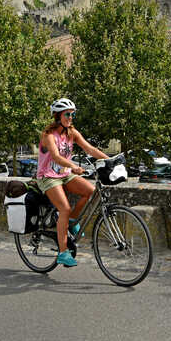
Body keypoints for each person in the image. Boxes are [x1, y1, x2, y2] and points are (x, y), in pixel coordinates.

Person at [37, 98, 109, 267]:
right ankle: (63, 252)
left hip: (65, 174)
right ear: (58, 116)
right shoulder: (48, 136)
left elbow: (90, 149)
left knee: (92, 191)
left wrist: (111, 160)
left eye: (72, 114)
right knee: (64, 208)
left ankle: (71, 221)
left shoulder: (72, 133)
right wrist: (73, 166)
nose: (70, 117)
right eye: (67, 114)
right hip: (47, 176)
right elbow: (55, 157)